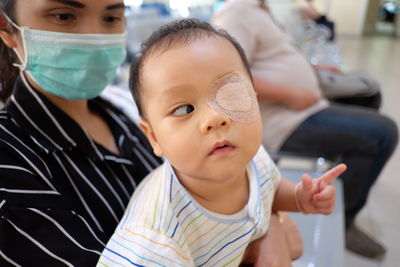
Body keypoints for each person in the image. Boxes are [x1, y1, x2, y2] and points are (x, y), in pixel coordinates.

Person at [0, 1, 302, 266]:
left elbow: (227, 188)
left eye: (110, 18)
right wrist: (264, 237)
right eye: (64, 16)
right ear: (7, 28)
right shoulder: (10, 160)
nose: (93, 35)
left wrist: (266, 224)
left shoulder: (123, 107)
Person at [97, 19, 346, 266]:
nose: (215, 118)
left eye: (231, 94)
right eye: (184, 108)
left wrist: (299, 197)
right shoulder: (156, 243)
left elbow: (268, 188)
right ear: (153, 137)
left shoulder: (253, 156)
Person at [212, 0, 398, 259]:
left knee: (368, 94)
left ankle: (355, 175)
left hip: (302, 105)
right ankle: (345, 219)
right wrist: (290, 95)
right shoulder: (236, 13)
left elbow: (274, 57)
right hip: (283, 118)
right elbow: (225, 76)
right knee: (382, 133)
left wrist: (313, 70)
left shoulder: (260, 11)